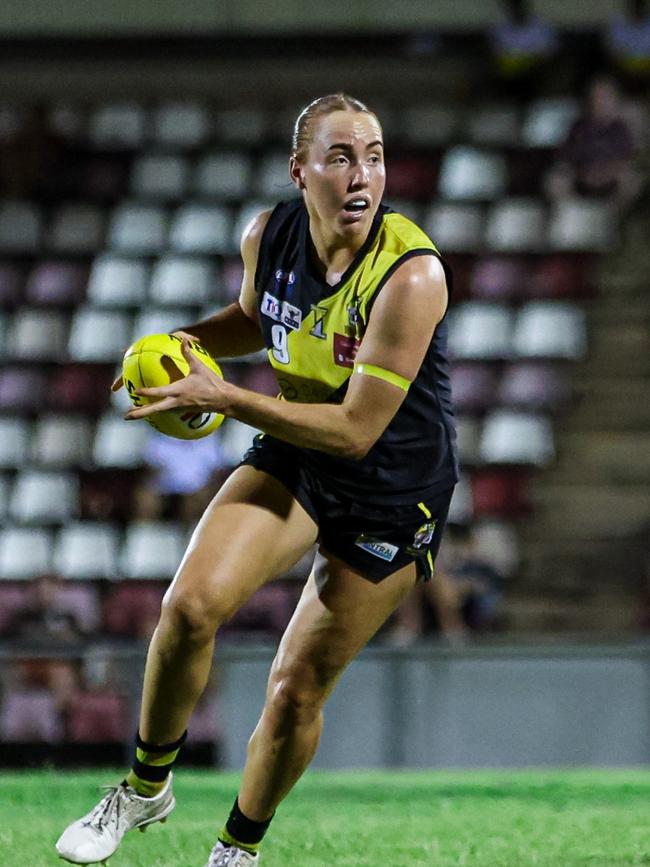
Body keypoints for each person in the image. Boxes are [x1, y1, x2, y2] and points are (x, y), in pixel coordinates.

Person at [56, 93, 458, 867]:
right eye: (340, 156)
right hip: (300, 447)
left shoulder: (412, 276)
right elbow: (257, 314)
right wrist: (186, 343)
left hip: (388, 487)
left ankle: (236, 849)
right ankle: (144, 790)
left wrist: (228, 397)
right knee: (188, 606)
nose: (361, 172)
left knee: (295, 688)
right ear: (299, 170)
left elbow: (357, 429)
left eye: (373, 154)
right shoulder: (267, 235)